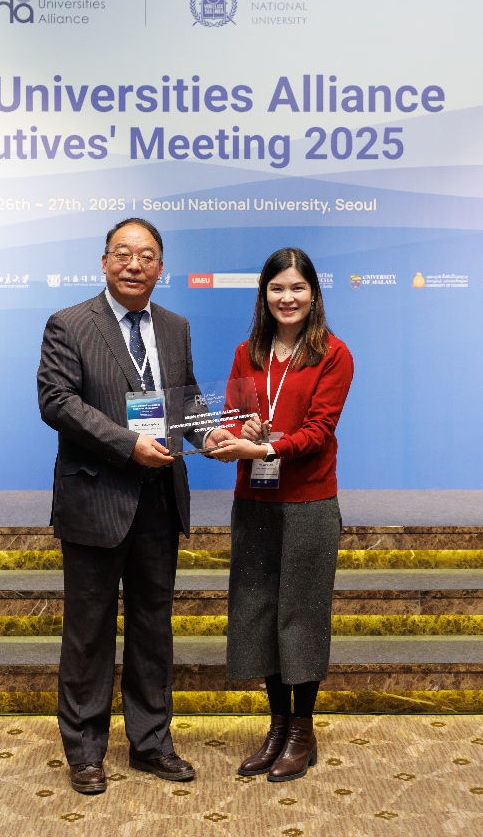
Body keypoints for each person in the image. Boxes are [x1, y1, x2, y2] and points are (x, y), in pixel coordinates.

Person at [37, 218, 206, 794]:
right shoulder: (69, 324)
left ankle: (151, 742)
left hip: (159, 498)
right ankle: (85, 750)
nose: (135, 264)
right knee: (88, 631)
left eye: (147, 255)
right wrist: (126, 443)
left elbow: (187, 400)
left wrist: (214, 432)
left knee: (153, 627)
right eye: (124, 253)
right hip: (96, 496)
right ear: (105, 261)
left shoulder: (176, 327)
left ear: (161, 267)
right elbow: (57, 401)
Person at [204, 247, 354, 782]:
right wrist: (232, 435)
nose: (287, 298)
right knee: (261, 611)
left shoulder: (333, 354)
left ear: (313, 294)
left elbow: (318, 432)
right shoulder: (248, 352)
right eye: (277, 288)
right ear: (263, 294)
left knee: (302, 614)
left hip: (309, 501)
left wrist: (264, 448)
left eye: (297, 288)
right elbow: (235, 417)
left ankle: (302, 730)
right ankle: (277, 726)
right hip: (255, 501)